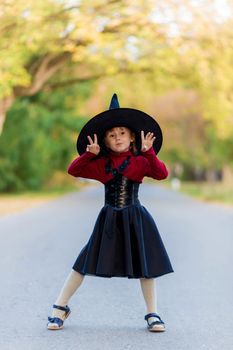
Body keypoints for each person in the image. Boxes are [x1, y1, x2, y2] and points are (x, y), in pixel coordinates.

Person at [47, 94, 174, 332]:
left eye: (122, 133)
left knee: (144, 265)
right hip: (108, 219)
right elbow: (74, 170)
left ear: (132, 137)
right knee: (82, 263)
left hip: (135, 218)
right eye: (112, 135)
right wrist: (89, 154)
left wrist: (149, 153)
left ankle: (152, 313)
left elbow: (162, 174)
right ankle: (60, 307)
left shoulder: (141, 161)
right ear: (105, 141)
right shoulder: (100, 165)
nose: (118, 138)